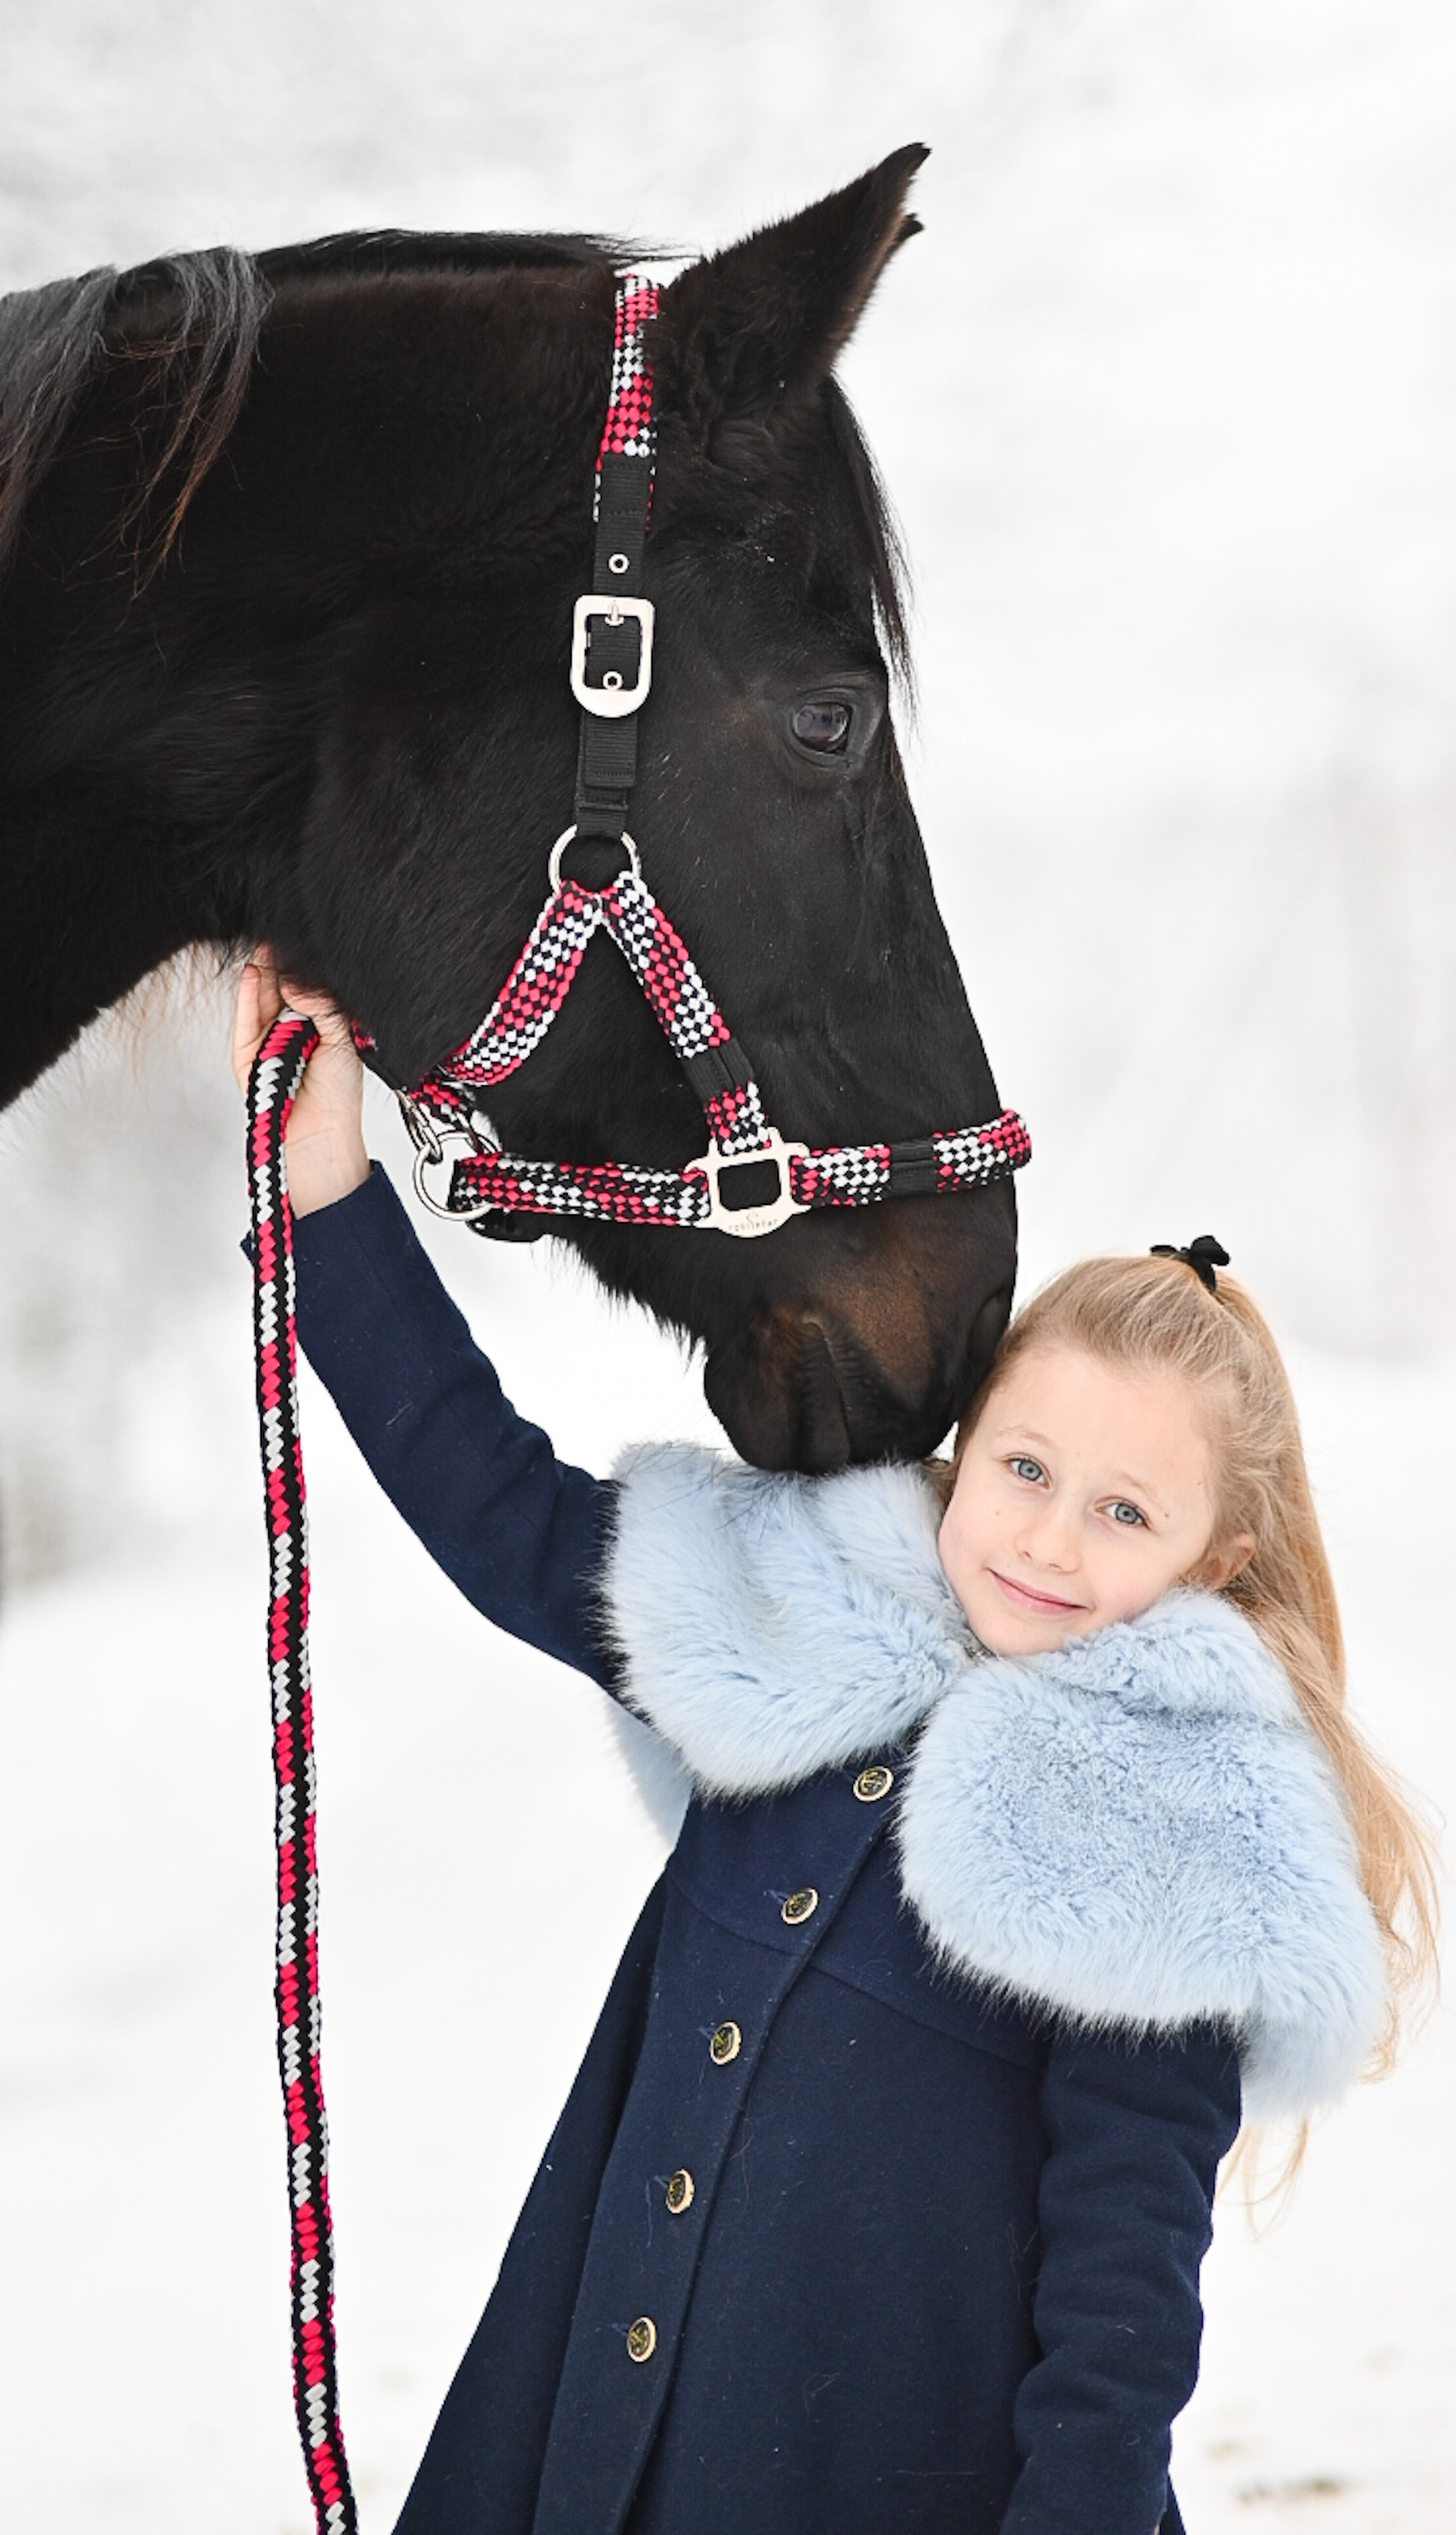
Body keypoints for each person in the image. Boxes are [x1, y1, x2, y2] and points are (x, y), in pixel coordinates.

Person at [232, 952, 1436, 2535]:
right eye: (1025, 1465)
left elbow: (1119, 2318)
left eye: (1125, 1511)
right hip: (588, 2449)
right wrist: (328, 1189)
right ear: (962, 1443)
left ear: (1211, 1558)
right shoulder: (787, 1619)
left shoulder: (1162, 1843)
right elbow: (497, 1503)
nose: (1052, 1541)